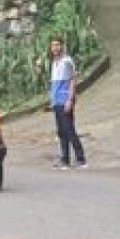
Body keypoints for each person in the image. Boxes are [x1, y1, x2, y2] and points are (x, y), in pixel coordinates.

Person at [48, 39, 86, 167]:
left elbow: (72, 80)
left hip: (65, 100)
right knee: (61, 131)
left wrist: (70, 100)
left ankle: (80, 158)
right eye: (53, 45)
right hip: (56, 101)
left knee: (69, 130)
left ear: (62, 46)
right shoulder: (54, 63)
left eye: (57, 45)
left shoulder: (67, 61)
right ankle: (65, 159)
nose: (55, 48)